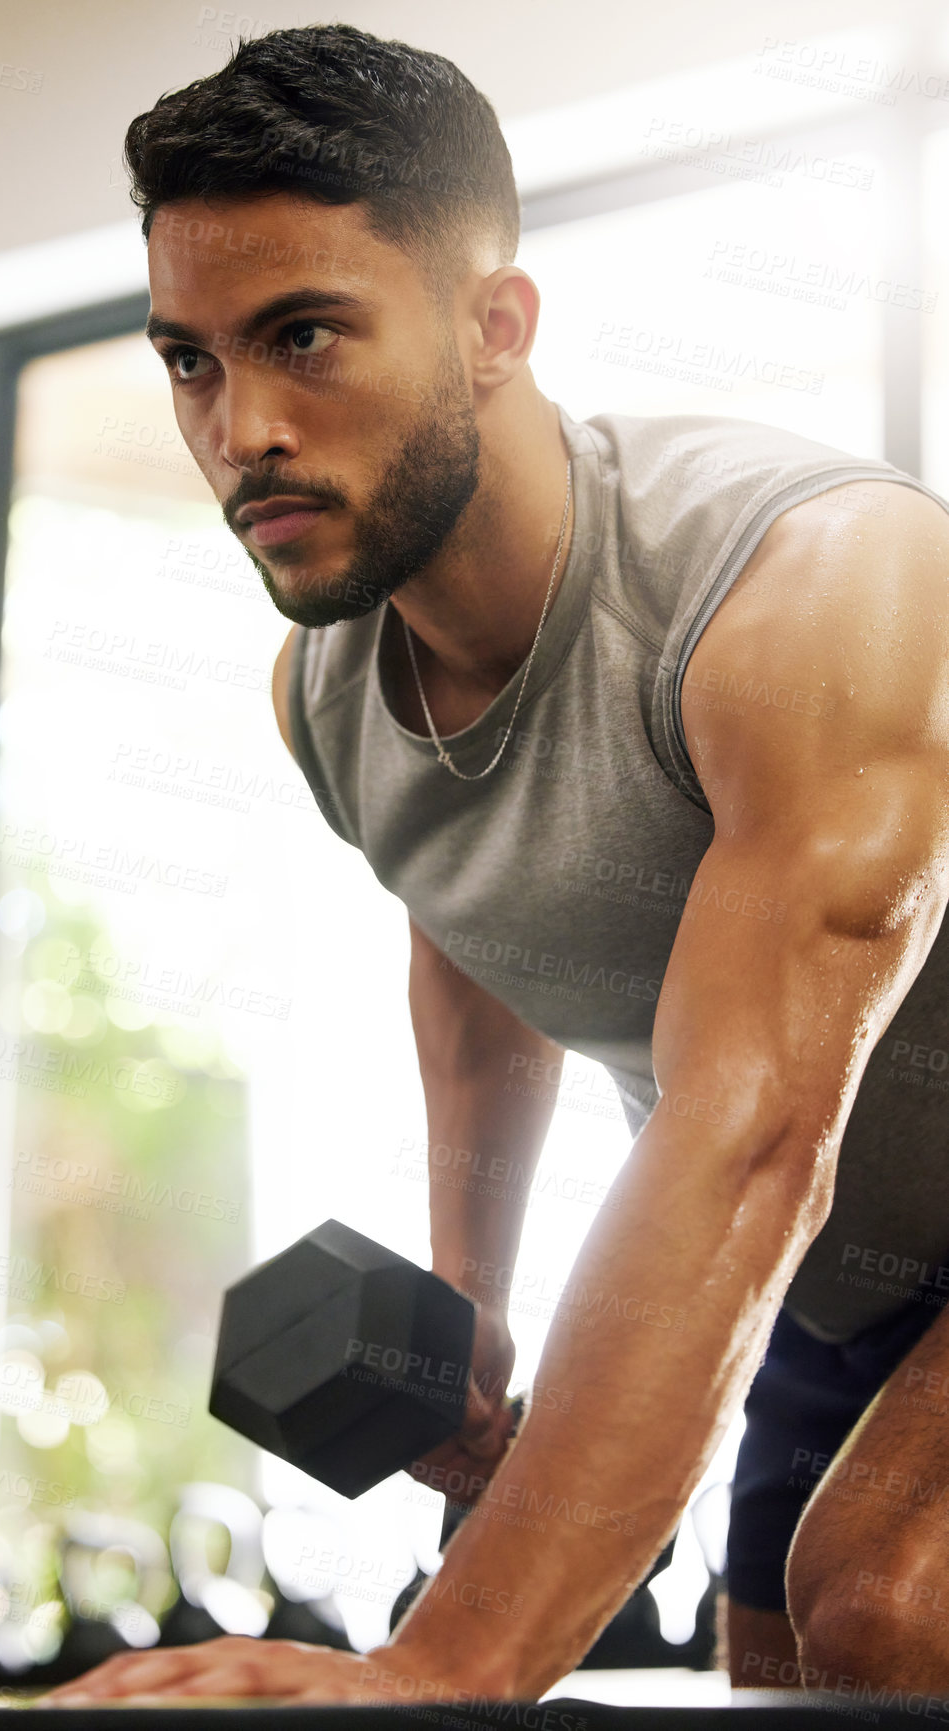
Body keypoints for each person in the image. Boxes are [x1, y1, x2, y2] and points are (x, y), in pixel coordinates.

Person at [47, 22, 949, 1708]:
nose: (239, 429)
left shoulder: (812, 581)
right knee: (785, 1683)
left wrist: (443, 1667)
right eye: (189, 361)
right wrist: (471, 1297)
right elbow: (476, 929)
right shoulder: (327, 694)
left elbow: (752, 1138)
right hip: (845, 1298)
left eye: (303, 335)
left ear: (491, 328)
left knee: (886, 1615)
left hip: (809, 1203)